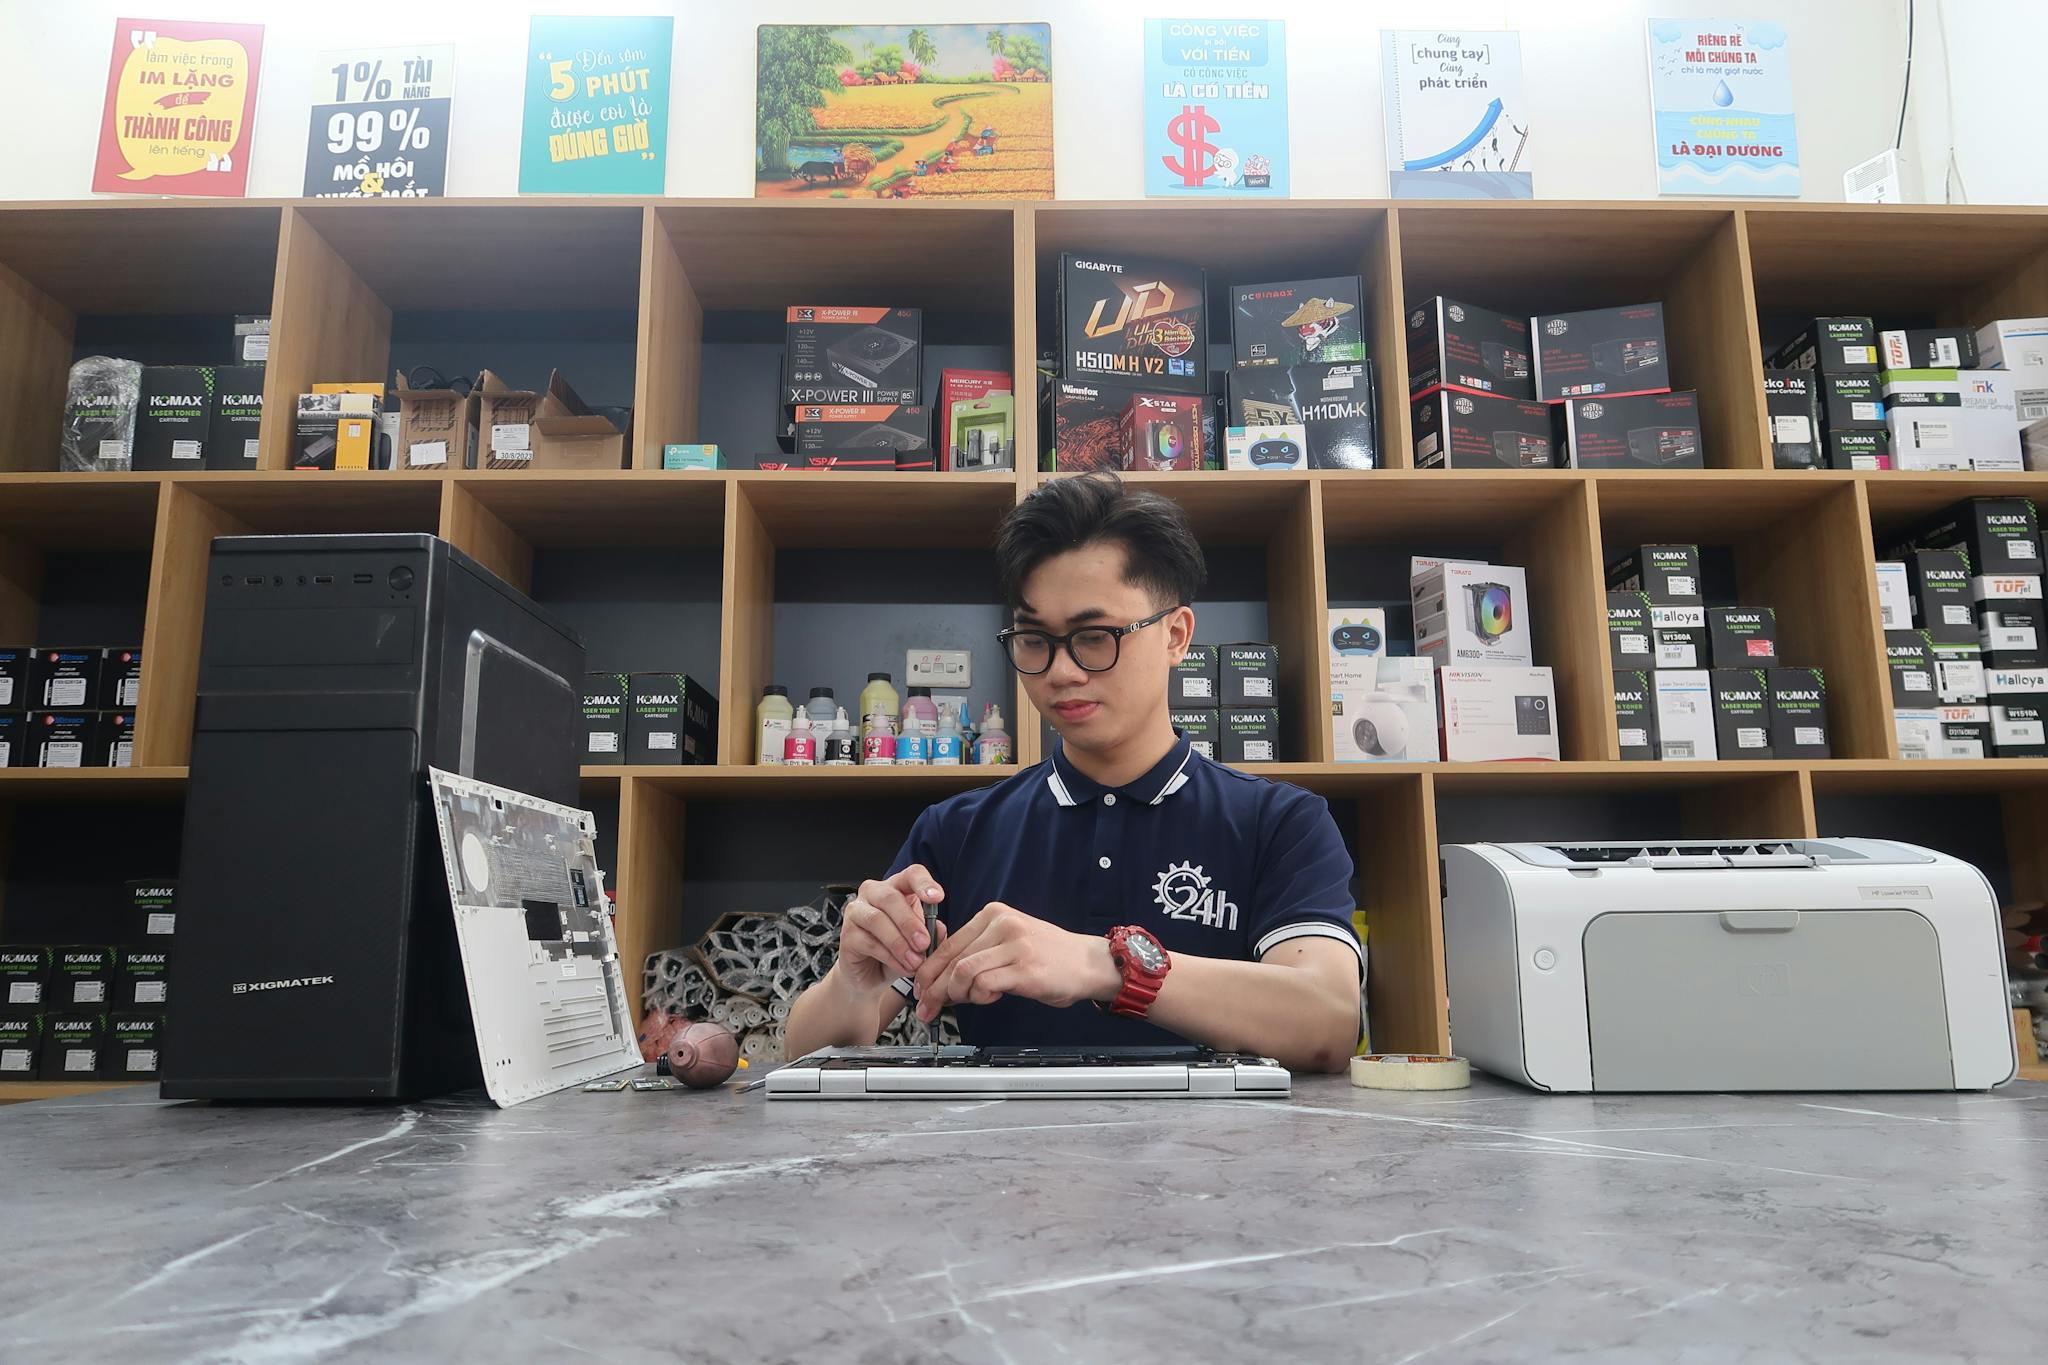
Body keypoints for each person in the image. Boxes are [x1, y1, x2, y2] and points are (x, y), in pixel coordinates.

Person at [784, 475, 1362, 1073]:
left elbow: (1327, 1022)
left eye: (1093, 636)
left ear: (1176, 636)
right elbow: (808, 1055)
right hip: (1001, 1134)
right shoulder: (955, 832)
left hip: (1219, 1136)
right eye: (1035, 640)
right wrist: (852, 983)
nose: (1061, 671)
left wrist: (1101, 966)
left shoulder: (1280, 822)